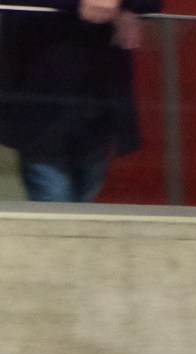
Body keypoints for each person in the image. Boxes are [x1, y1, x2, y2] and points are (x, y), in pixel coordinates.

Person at [0, 0, 159, 204]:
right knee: (59, 203)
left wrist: (123, 6)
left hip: (98, 100)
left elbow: (151, 4)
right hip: (39, 102)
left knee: (82, 198)